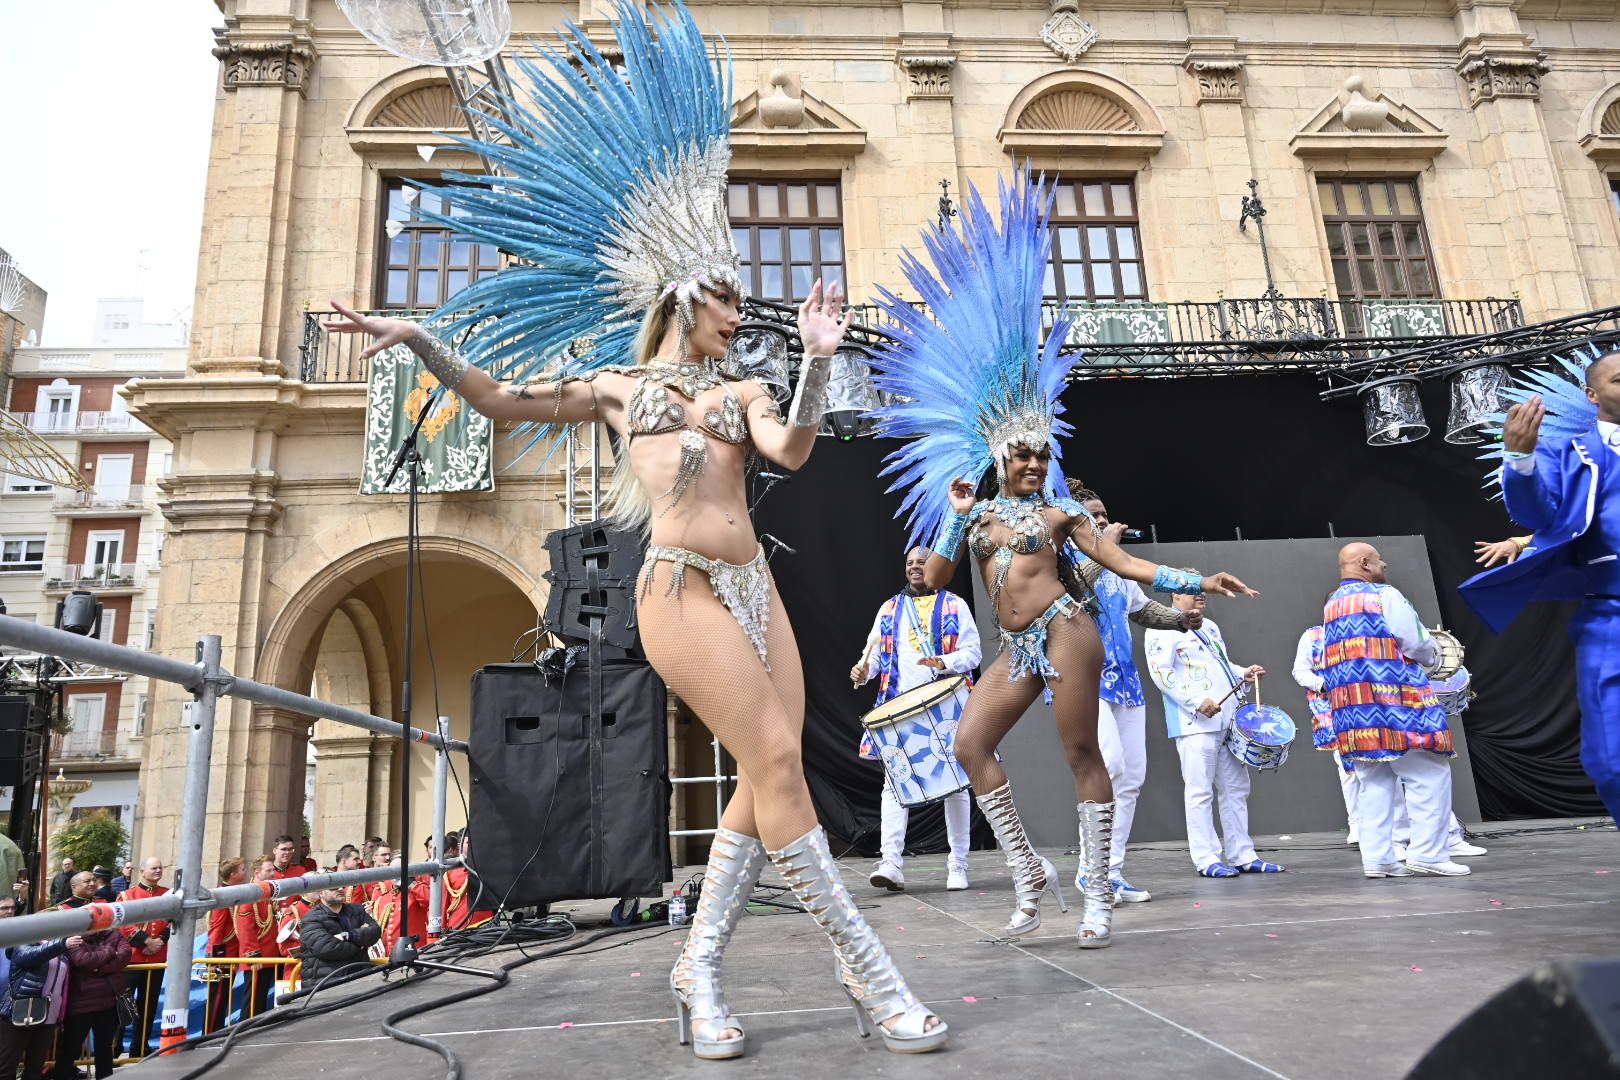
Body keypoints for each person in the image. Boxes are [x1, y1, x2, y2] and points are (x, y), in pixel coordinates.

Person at [324, 3, 942, 1059]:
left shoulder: (748, 385)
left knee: (767, 769)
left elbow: (791, 451)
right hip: (679, 589)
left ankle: (695, 969)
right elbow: (498, 401)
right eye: (728, 293)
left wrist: (820, 357)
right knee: (782, 771)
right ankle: (870, 973)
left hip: (758, 590)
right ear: (682, 294)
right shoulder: (616, 388)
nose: (742, 306)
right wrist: (416, 333)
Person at [868, 172, 1255, 948]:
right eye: (1022, 456)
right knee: (969, 745)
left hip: (1067, 627)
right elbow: (937, 582)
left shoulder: (1060, 513)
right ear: (997, 455)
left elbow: (1123, 565)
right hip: (1014, 647)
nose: (1033, 465)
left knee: (1083, 752)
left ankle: (1098, 892)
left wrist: (1190, 579)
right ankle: (1027, 877)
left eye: (1042, 455)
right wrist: (950, 520)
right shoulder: (973, 515)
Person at [1460, 347, 1620, 820]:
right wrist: (1520, 459)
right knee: (1611, 762)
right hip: (1611, 614)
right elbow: (1537, 514)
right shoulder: (1568, 454)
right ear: (1592, 395)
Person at [1064, 483, 1202, 903]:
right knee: (1111, 768)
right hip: (1085, 680)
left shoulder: (1117, 567)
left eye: (1106, 514)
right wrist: (1102, 549)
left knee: (1132, 778)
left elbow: (1141, 609)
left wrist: (1180, 620)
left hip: (1124, 682)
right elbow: (1070, 595)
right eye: (1095, 515)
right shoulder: (1061, 560)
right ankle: (1091, 872)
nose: (1104, 520)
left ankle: (1111, 871)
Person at [1323, 543, 1467, 877]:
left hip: (1354, 710)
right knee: (1428, 773)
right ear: (1364, 563)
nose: (1384, 565)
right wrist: (1431, 658)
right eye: (1380, 561)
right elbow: (1416, 643)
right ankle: (1429, 853)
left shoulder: (1332, 604)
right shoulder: (1384, 595)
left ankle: (1378, 859)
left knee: (1374, 782)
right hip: (1396, 701)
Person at [850, 545, 982, 892]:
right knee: (894, 785)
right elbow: (874, 657)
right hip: (899, 710)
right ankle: (891, 863)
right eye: (909, 563)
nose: (915, 568)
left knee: (955, 786)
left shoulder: (955, 605)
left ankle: (958, 864)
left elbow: (973, 653)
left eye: (921, 562)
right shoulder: (889, 608)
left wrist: (943, 662)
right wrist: (863, 672)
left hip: (945, 708)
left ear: (935, 567)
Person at [1146, 592, 1281, 877]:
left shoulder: (1209, 627)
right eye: (1191, 591)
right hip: (1194, 722)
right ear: (1174, 596)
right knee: (1199, 790)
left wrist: (1243, 672)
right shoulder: (1161, 628)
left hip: (1226, 719)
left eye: (1202, 590)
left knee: (1236, 788)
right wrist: (1196, 701)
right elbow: (1161, 672)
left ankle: (1242, 854)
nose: (1200, 595)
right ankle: (1206, 858)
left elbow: (1220, 665)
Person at [52, 871, 131, 1080]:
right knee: (70, 1047)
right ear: (74, 886)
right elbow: (80, 959)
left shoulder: (104, 904)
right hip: (80, 994)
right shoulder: (63, 909)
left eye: (94, 880)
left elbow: (124, 951)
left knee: (105, 1048)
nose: (92, 883)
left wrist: (101, 966)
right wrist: (108, 954)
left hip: (108, 996)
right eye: (87, 881)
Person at [1293, 623, 1361, 844]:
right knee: (1347, 766)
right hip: (1331, 707)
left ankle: (1392, 827)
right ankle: (1358, 826)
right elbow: (1300, 670)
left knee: (1379, 766)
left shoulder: (1361, 631)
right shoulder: (1312, 635)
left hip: (1366, 705)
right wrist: (1323, 684)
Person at [0, 910, 70, 1080]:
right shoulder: (25, 941)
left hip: (48, 1016)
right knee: (7, 1066)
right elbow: (27, 957)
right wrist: (61, 944)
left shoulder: (59, 944)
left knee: (35, 1067)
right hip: (21, 1011)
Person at [116, 857, 170, 1056]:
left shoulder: (167, 894)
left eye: (160, 867)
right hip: (132, 960)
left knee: (148, 1006)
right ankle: (115, 1047)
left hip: (156, 959)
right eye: (154, 868)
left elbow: (173, 920)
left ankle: (140, 1047)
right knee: (124, 1006)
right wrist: (146, 941)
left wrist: (159, 942)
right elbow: (122, 923)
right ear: (142, 871)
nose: (158, 871)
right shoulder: (127, 895)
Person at [297, 885, 381, 989]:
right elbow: (327, 948)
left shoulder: (357, 910)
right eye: (334, 887)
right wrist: (360, 945)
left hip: (361, 975)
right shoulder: (311, 918)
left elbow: (375, 932)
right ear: (321, 893)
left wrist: (347, 936)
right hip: (325, 982)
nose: (340, 889)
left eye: (342, 886)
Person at [232, 857, 281, 1019]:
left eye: (273, 870)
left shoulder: (267, 893)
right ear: (257, 873)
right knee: (252, 1002)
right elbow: (245, 928)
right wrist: (252, 955)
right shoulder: (250, 894)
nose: (273, 873)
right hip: (257, 958)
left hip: (269, 955)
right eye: (269, 871)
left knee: (261, 1000)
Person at [206, 858, 246, 1033]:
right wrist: (215, 957)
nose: (246, 872)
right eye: (243, 869)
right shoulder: (223, 896)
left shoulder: (234, 892)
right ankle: (211, 1032)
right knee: (218, 998)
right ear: (233, 875)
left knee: (223, 997)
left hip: (231, 953)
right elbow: (217, 928)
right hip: (222, 955)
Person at [366, 845, 402, 960]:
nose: (387, 858)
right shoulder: (368, 880)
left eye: (389, 855)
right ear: (374, 857)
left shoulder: (413, 887)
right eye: (383, 855)